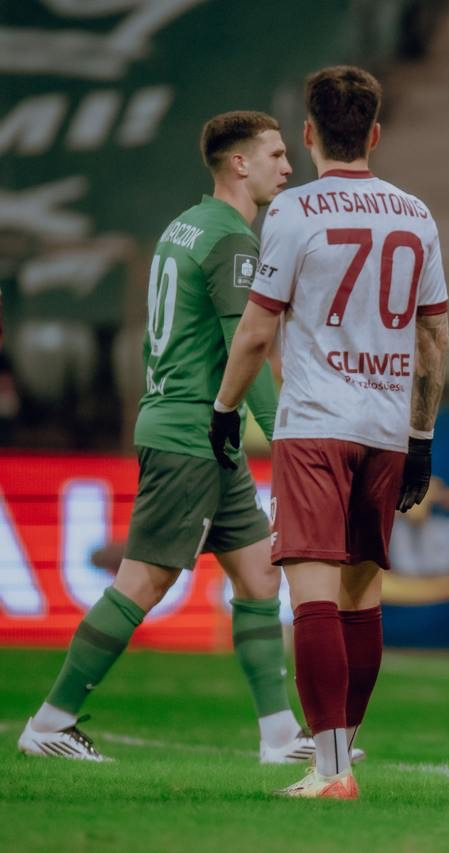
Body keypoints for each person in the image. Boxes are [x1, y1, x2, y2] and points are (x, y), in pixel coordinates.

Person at [17, 111, 318, 764]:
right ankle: (49, 721)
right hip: (192, 434)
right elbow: (248, 348)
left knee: (259, 576)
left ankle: (278, 736)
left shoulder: (185, 226)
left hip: (199, 431)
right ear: (239, 163)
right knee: (143, 584)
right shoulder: (232, 242)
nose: (287, 166)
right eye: (275, 154)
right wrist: (287, 441)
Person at [210, 66, 449, 800]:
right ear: (374, 133)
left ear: (309, 132)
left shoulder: (293, 211)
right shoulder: (416, 214)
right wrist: (421, 437)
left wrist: (224, 408)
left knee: (312, 594)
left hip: (316, 424)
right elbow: (434, 337)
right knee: (362, 594)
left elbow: (257, 331)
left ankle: (331, 767)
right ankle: (340, 755)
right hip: (386, 426)